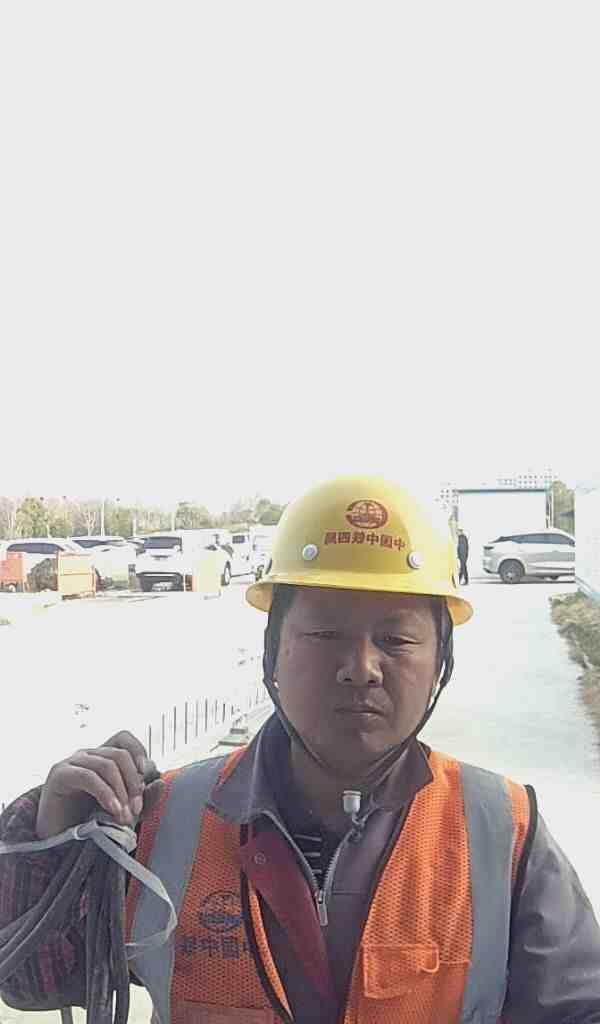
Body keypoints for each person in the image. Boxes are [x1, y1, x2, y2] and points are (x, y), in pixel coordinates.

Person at [1, 475, 600, 1024]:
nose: (361, 668)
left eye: (395, 639)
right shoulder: (163, 819)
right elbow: (29, 982)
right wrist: (47, 839)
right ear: (272, 653)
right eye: (324, 633)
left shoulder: (503, 830)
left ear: (440, 663)